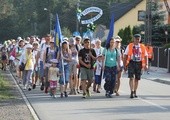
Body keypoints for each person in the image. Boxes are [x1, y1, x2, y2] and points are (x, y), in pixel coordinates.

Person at [124, 34, 148, 98]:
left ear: (140, 39)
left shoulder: (142, 46)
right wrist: (124, 65)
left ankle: (135, 91)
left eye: (138, 39)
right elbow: (125, 55)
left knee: (137, 79)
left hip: (139, 63)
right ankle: (131, 91)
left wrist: (146, 64)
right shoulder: (130, 46)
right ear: (133, 39)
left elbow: (146, 56)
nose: (137, 40)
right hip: (131, 62)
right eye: (136, 39)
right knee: (131, 77)